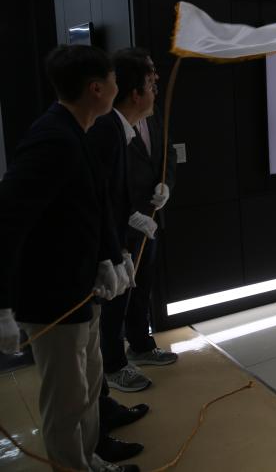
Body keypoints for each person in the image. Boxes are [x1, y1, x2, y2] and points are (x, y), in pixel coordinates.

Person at [0, 45, 138, 472]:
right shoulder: (52, 140)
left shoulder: (80, 131)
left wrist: (112, 257)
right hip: (51, 298)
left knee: (88, 385)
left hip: (82, 289)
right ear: (96, 88)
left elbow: (94, 205)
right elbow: (8, 221)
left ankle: (88, 458)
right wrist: (2, 306)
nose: (118, 87)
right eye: (114, 80)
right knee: (65, 397)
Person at [89, 50, 160, 394]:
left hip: (126, 229)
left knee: (138, 289)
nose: (156, 86)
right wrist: (112, 252)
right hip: (90, 252)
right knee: (107, 310)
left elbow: (110, 196)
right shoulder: (105, 130)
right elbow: (95, 200)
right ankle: (113, 367)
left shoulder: (121, 129)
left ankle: (105, 400)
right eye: (150, 81)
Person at [117, 49, 178, 369]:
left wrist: (165, 184)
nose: (156, 77)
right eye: (150, 72)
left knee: (143, 286)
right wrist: (127, 213)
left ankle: (140, 345)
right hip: (121, 221)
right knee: (117, 294)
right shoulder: (108, 123)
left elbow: (167, 153)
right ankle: (113, 362)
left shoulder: (151, 112)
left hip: (151, 216)